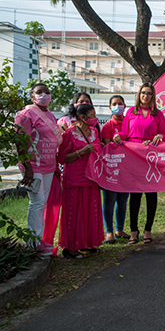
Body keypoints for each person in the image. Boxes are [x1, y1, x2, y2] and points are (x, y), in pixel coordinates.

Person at [113, 83, 165, 245]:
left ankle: (148, 230)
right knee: (135, 195)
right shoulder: (131, 112)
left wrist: (160, 136)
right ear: (139, 94)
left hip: (150, 157)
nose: (145, 96)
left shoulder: (158, 114)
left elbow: (164, 133)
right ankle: (134, 231)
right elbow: (124, 132)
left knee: (151, 194)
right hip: (133, 157)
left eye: (149, 93)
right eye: (143, 93)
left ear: (153, 96)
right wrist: (118, 136)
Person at [15, 83, 62, 255]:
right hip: (32, 165)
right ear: (32, 96)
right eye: (39, 92)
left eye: (47, 92)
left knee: (43, 203)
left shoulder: (50, 115)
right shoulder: (25, 115)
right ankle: (32, 243)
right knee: (37, 202)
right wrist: (27, 167)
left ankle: (40, 241)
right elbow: (20, 142)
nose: (44, 95)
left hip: (49, 165)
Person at [56, 103, 104, 258]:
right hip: (74, 178)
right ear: (83, 117)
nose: (95, 118)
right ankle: (70, 248)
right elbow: (62, 158)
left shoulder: (94, 132)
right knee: (74, 212)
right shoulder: (69, 134)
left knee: (91, 210)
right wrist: (80, 152)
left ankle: (88, 243)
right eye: (92, 115)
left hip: (92, 177)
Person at [100, 94, 130, 244]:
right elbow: (107, 147)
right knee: (109, 200)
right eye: (115, 103)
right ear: (109, 107)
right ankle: (109, 232)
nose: (118, 106)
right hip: (111, 169)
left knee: (123, 199)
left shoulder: (130, 123)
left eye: (120, 103)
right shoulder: (107, 126)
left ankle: (119, 229)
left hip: (127, 168)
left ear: (125, 105)